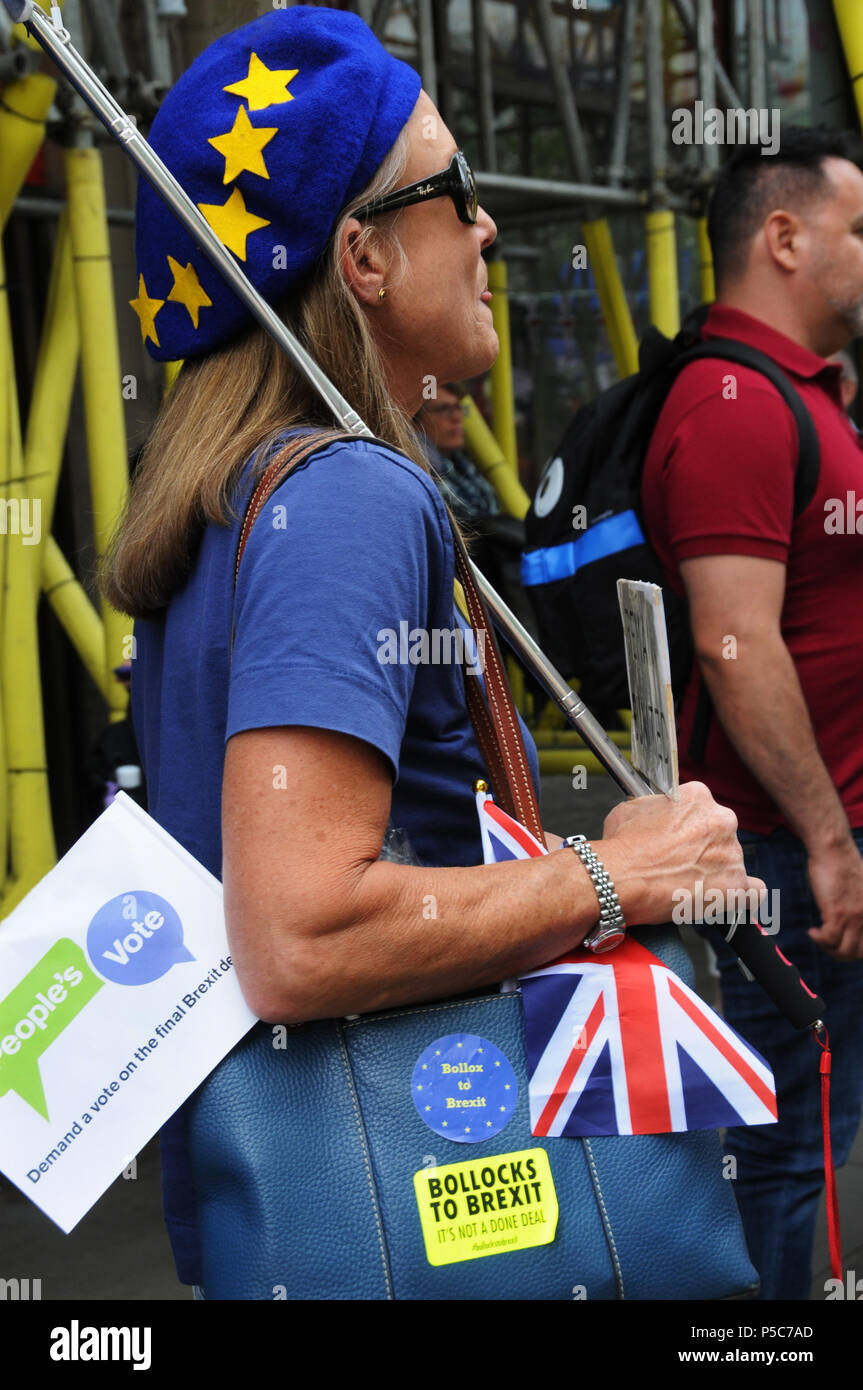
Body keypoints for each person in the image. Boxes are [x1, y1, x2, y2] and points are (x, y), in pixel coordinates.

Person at [104, 6, 756, 1297]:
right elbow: (302, 932)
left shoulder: (233, 498)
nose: (485, 227)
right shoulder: (348, 499)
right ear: (360, 254)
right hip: (425, 1224)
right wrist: (619, 871)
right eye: (452, 191)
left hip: (294, 1212)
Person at [641, 126, 863, 1300]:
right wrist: (827, 844)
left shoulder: (796, 396)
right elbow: (737, 645)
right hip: (783, 849)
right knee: (784, 1147)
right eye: (857, 229)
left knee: (809, 1135)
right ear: (782, 236)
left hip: (808, 839)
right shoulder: (730, 403)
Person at [416, 383, 499, 523]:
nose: (457, 418)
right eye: (444, 409)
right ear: (416, 421)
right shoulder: (422, 474)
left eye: (458, 408)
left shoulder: (463, 466)